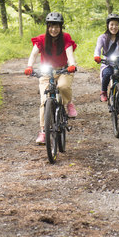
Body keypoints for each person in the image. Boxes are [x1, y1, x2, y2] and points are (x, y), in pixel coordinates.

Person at [24, 12, 78, 145]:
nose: (54, 30)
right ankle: (43, 131)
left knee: (63, 87)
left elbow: (69, 54)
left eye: (57, 27)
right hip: (46, 72)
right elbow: (33, 54)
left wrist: (72, 65)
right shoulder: (41, 39)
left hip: (63, 69)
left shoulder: (65, 38)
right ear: (47, 27)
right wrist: (29, 66)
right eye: (51, 26)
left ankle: (68, 103)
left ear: (61, 27)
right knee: (44, 100)